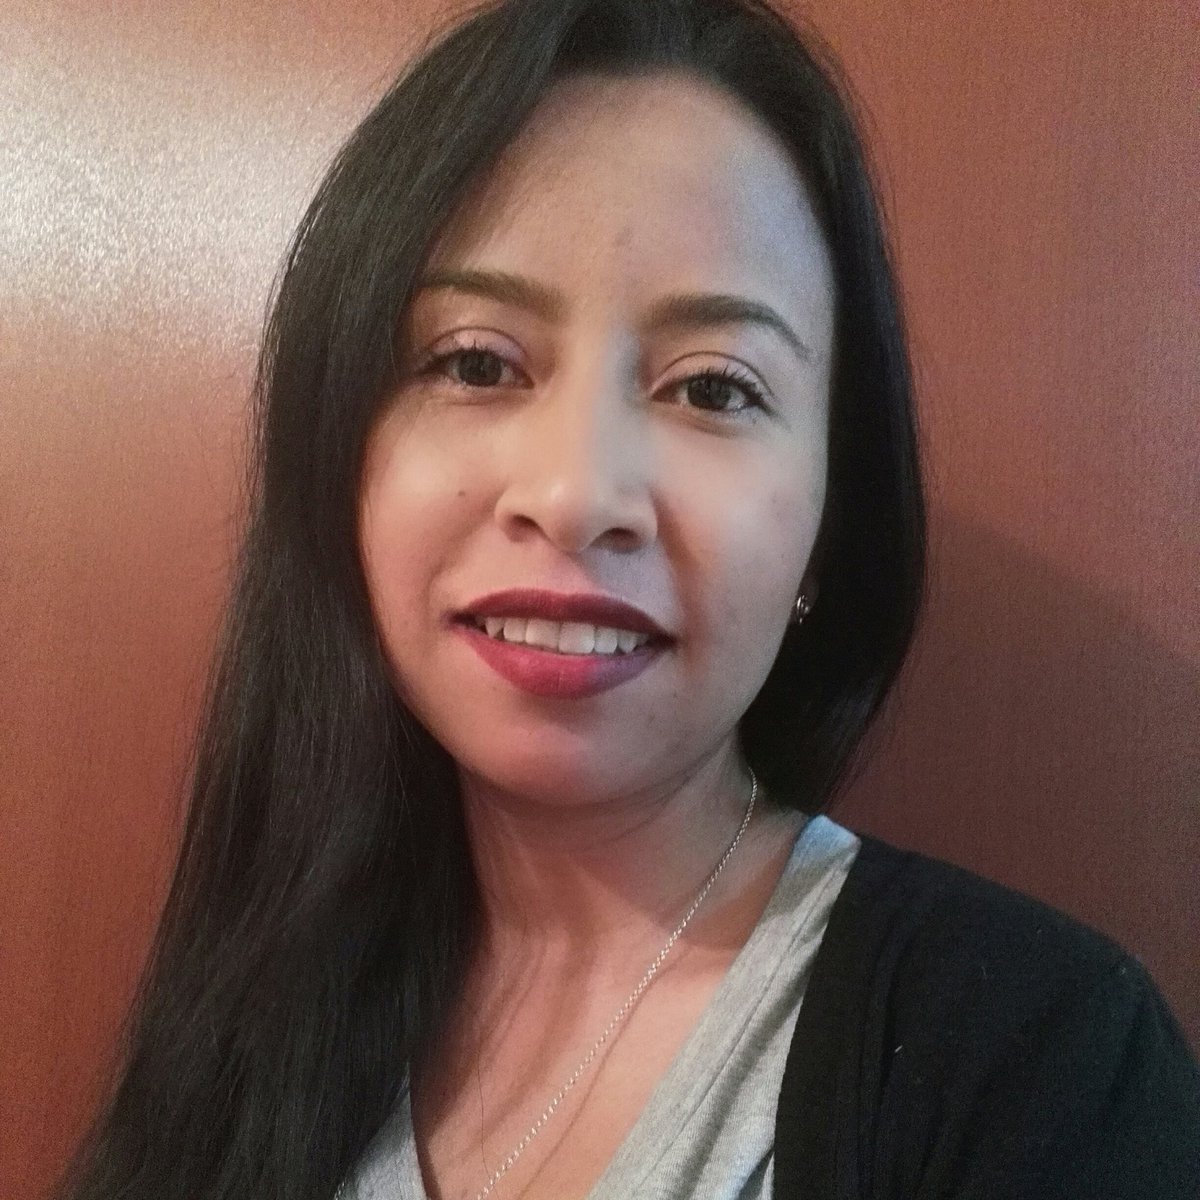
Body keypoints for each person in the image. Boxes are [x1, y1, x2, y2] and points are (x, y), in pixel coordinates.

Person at [54, 0, 1200, 1198]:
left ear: (827, 521)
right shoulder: (246, 1014)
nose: (576, 494)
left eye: (713, 388)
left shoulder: (1040, 1064)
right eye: (476, 362)